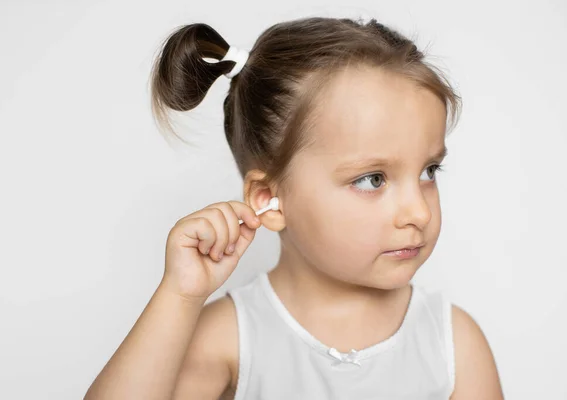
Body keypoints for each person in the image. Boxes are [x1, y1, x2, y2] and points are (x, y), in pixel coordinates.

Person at [84, 16, 503, 400]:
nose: (420, 212)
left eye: (429, 171)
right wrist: (180, 295)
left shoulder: (451, 343)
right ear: (269, 199)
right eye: (372, 179)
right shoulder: (231, 338)